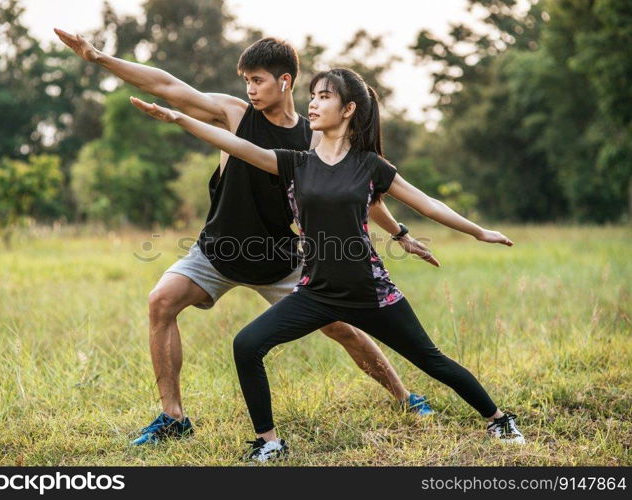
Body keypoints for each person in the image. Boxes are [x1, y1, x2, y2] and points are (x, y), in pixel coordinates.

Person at [54, 31, 441, 444]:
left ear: (286, 81)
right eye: (246, 81)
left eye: (258, 80)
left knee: (342, 327)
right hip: (217, 249)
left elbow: (358, 191)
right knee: (161, 301)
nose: (250, 89)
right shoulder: (234, 115)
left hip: (280, 259)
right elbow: (168, 85)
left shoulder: (315, 139)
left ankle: (403, 396)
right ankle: (173, 417)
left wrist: (400, 233)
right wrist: (99, 58)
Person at [130, 67, 526, 462]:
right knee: (247, 345)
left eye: (324, 97)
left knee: (432, 360)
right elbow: (238, 147)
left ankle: (498, 418)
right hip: (315, 292)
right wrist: (180, 118)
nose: (313, 103)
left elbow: (427, 203)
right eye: (314, 95)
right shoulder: (296, 163)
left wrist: (478, 232)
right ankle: (269, 442)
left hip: (370, 293)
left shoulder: (370, 166)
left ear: (349, 109)